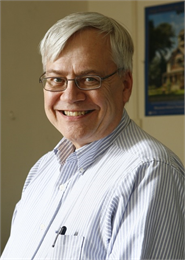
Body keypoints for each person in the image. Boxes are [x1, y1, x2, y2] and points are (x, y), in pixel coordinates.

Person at [1, 12, 184, 260]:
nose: (69, 96)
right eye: (56, 79)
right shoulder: (42, 170)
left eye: (89, 79)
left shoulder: (148, 173)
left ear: (125, 85)